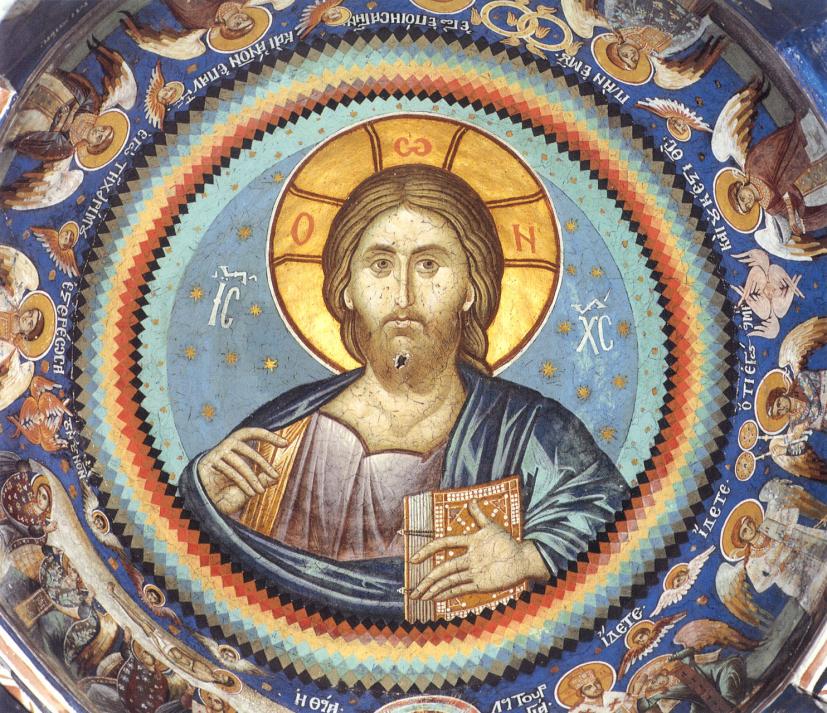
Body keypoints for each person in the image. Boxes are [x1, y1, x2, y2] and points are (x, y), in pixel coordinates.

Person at [178, 164, 628, 617]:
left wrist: (529, 558)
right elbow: (202, 571)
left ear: (470, 288)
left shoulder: (529, 429)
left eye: (429, 265)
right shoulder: (282, 432)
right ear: (347, 288)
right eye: (380, 265)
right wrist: (205, 500)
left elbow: (618, 523)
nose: (403, 295)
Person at [729, 120, 827, 236]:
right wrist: (794, 219)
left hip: (804, 149)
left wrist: (790, 208)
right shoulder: (771, 208)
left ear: (740, 187)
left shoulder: (753, 166)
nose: (747, 201)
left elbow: (775, 149)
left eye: (742, 197)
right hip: (814, 186)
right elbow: (793, 212)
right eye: (747, 206)